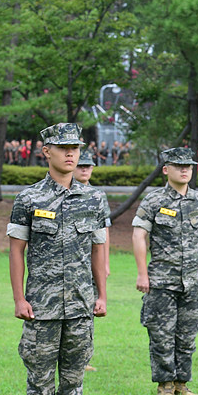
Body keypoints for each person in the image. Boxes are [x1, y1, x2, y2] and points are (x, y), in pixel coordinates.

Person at [7, 123, 108, 395]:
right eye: (62, 147)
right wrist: (20, 298)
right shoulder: (29, 199)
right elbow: (16, 252)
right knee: (39, 378)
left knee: (73, 377)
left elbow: (99, 250)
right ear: (45, 151)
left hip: (80, 305)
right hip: (41, 307)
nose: (70, 153)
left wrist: (101, 295)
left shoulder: (93, 198)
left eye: (75, 147)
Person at [132, 147, 198, 395]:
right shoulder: (154, 200)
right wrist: (142, 273)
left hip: (191, 280)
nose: (184, 170)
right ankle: (164, 384)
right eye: (179, 166)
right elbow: (139, 234)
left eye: (188, 166)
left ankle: (182, 383)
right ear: (166, 169)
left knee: (188, 333)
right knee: (161, 332)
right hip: (161, 279)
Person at [72, 147, 112, 373]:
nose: (85, 169)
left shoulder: (97, 196)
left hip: (91, 260)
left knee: (90, 306)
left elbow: (104, 232)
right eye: (81, 165)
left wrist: (105, 263)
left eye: (88, 166)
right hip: (70, 260)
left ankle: (84, 355)